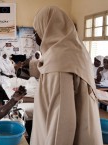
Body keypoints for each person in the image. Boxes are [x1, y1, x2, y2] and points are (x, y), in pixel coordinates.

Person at [30, 6, 103, 145]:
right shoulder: (75, 52)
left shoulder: (58, 62)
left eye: (36, 31)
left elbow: (61, 125)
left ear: (49, 29)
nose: (35, 37)